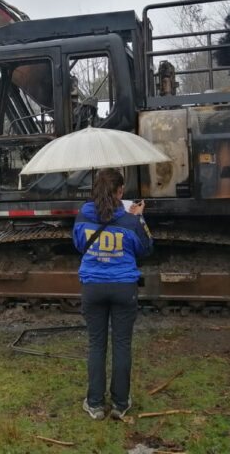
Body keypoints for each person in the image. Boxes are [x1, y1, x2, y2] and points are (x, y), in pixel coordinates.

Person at [72, 168, 153, 420]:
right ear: (120, 192)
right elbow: (146, 248)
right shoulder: (130, 220)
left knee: (96, 345)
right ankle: (120, 404)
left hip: (93, 287)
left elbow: (77, 245)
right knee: (121, 345)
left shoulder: (83, 214)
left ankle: (95, 404)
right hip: (123, 289)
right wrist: (139, 218)